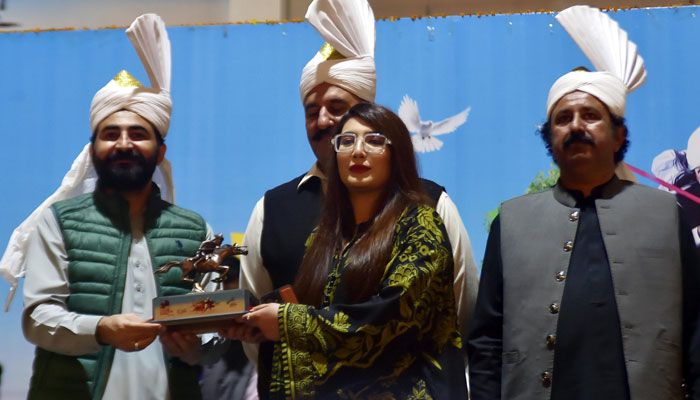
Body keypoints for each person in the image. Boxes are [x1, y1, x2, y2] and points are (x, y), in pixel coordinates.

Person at [239, 0, 478, 393]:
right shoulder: (273, 209)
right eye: (311, 111)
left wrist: (291, 326)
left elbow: (458, 313)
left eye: (337, 109)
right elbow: (257, 329)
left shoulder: (426, 208)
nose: (323, 123)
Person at [467, 5, 700, 400]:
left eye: (590, 115)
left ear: (617, 134)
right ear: (549, 137)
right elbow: (486, 341)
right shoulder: (511, 221)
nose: (576, 125)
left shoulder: (665, 215)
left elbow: (696, 328)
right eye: (563, 118)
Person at [1, 15, 217, 399]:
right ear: (93, 149)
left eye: (138, 134)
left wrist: (198, 347)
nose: (123, 144)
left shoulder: (195, 229)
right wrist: (102, 330)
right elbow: (38, 319)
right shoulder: (60, 221)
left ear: (160, 151)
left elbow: (216, 327)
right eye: (109, 134)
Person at [236, 102, 467, 399]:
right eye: (347, 141)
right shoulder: (326, 236)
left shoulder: (420, 223)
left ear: (396, 154)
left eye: (373, 141)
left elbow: (388, 321)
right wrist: (257, 327)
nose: (358, 151)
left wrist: (285, 322)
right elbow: (317, 319)